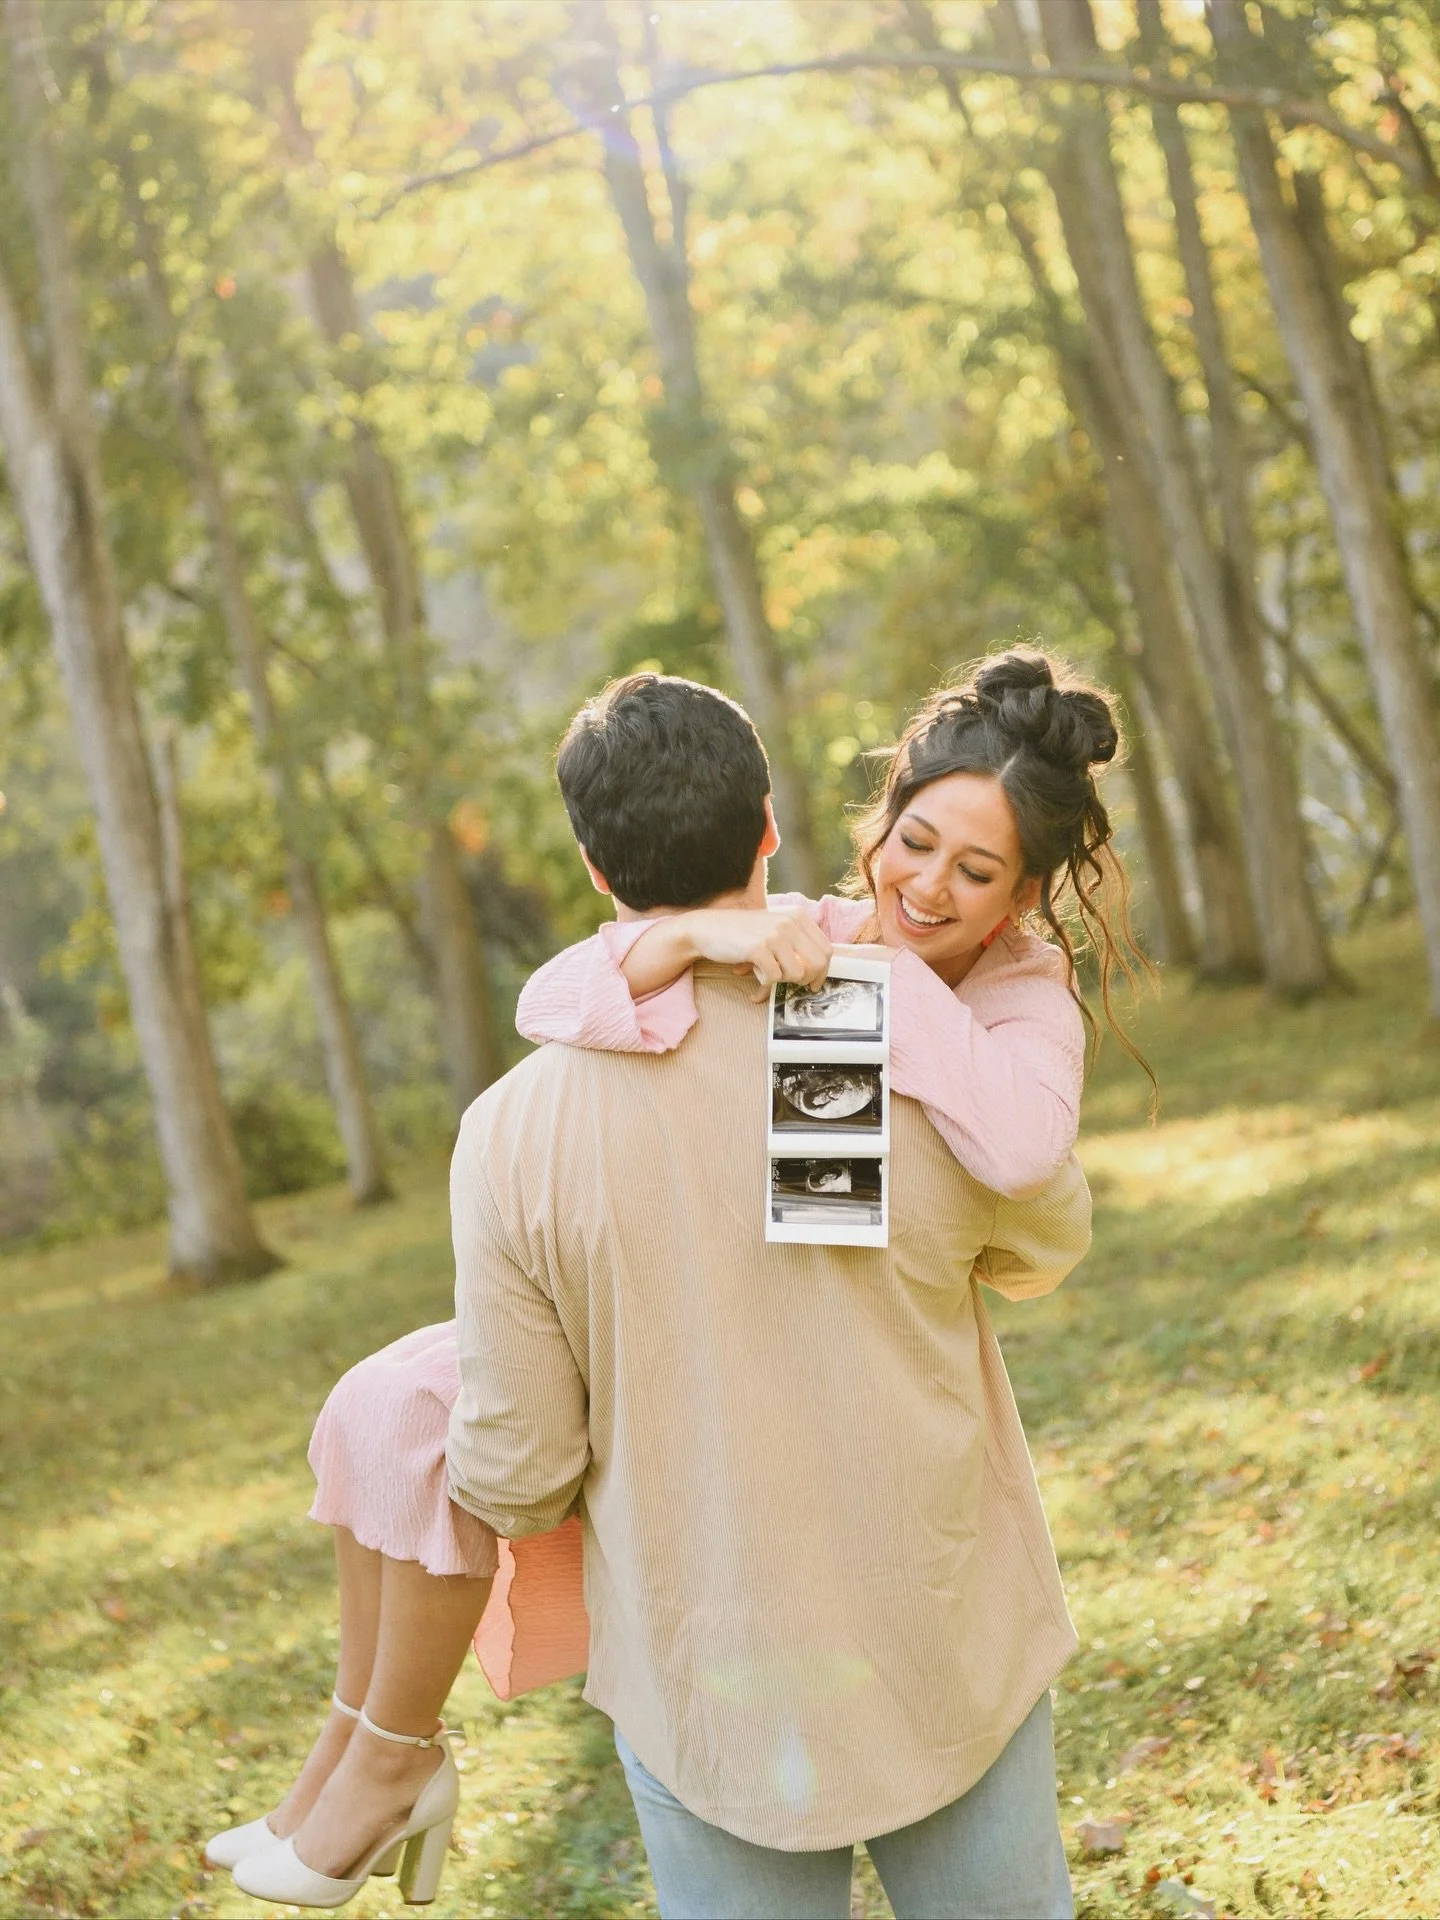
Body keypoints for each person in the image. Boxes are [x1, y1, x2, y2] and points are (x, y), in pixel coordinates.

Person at [213, 656, 1137, 1914]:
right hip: (938, 1632)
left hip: (710, 1669)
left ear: (596, 872)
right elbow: (1028, 1237)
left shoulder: (511, 1128)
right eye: (916, 846)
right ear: (779, 830)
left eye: (973, 873)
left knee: (417, 1401)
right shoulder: (848, 1034)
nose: (928, 887)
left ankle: (379, 1755)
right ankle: (363, 1753)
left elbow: (529, 1467)